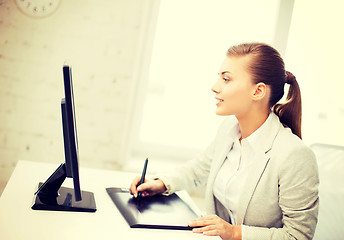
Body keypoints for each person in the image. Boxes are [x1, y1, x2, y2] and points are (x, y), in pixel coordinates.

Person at [129, 42, 319, 240]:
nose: (214, 87)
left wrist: (233, 232)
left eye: (226, 79)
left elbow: (298, 236)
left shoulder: (294, 155)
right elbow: (198, 170)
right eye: (219, 77)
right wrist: (160, 183)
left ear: (258, 91)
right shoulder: (229, 128)